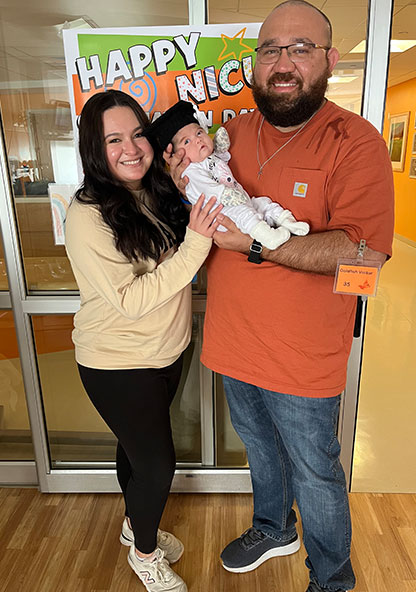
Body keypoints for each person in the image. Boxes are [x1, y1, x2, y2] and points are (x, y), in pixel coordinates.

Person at [165, 2, 395, 591]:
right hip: (233, 344)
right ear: (257, 62)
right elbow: (196, 208)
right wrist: (177, 181)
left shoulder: (354, 140)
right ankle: (273, 526)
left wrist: (257, 246)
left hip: (304, 357)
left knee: (317, 472)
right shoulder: (230, 134)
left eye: (300, 49)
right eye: (271, 50)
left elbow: (364, 251)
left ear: (328, 60)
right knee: (260, 452)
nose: (283, 62)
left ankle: (332, 579)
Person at [65, 89, 222, 592]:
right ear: (95, 148)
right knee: (157, 463)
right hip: (115, 362)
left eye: (137, 133)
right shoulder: (86, 215)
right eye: (114, 139)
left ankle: (136, 524)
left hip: (165, 354)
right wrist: (197, 241)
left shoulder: (151, 191)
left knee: (134, 452)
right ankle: (145, 553)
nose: (131, 148)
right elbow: (131, 300)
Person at [144, 99, 309, 250]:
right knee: (245, 215)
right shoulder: (191, 172)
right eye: (187, 141)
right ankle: (269, 237)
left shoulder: (209, 158)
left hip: (240, 200)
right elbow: (208, 189)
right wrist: (225, 194)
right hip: (223, 212)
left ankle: (287, 221)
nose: (197, 140)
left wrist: (220, 148)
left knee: (263, 203)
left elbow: (220, 162)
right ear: (175, 156)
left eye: (199, 133)